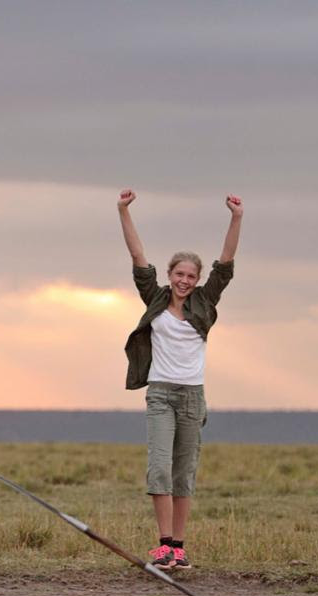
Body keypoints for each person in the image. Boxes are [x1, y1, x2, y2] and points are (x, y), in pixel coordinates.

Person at [117, 189, 243, 571]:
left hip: (192, 397)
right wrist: (123, 210)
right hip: (160, 394)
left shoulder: (206, 301)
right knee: (159, 468)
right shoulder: (155, 298)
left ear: (198, 279)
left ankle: (180, 549)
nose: (185, 281)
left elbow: (226, 262)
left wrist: (236, 218)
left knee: (183, 472)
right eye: (179, 274)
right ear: (169, 276)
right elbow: (138, 257)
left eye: (191, 276)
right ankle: (164, 545)